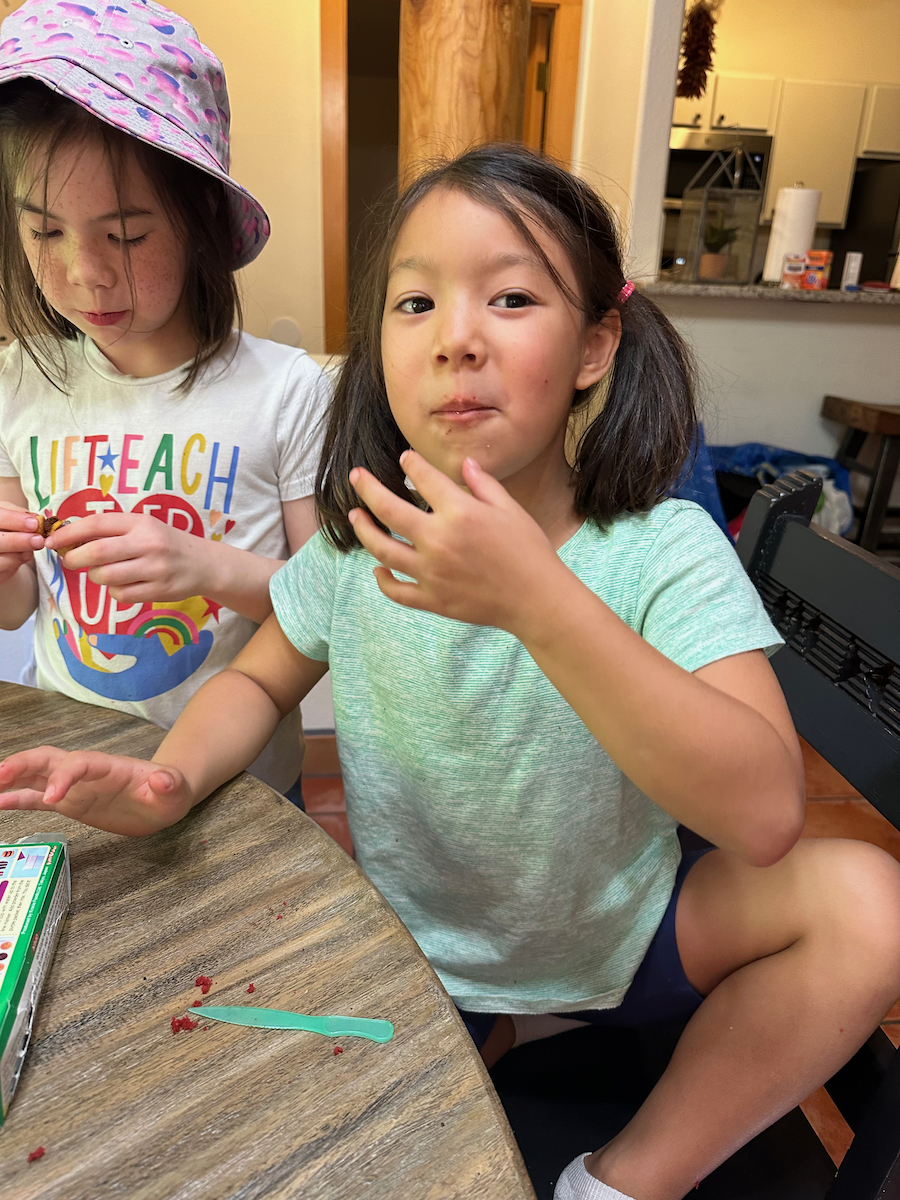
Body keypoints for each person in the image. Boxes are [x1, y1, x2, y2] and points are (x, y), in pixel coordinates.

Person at [3, 145, 900, 1200]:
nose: (456, 338)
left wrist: (539, 602)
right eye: (415, 303)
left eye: (511, 298)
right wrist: (172, 778)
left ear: (595, 344)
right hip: (420, 961)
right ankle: (508, 1027)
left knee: (868, 904)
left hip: (626, 938)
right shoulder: (358, 548)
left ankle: (624, 1178)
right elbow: (256, 680)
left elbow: (766, 814)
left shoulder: (660, 549)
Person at [0, 1, 326, 794]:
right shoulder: (17, 379)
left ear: (201, 218)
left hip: (243, 786)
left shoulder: (286, 390)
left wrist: (203, 564)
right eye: (45, 232)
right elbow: (16, 606)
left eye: (126, 235)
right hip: (74, 764)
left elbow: (328, 610)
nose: (85, 274)